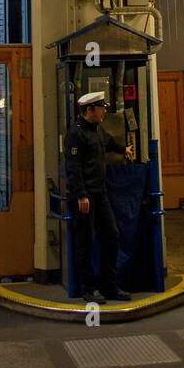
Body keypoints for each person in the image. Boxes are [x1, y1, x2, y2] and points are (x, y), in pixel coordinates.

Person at [64, 90, 133, 304]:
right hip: (84, 197)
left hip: (100, 193)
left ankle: (109, 284)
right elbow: (73, 167)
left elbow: (110, 143)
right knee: (84, 242)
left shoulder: (97, 129)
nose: (104, 111)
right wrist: (81, 195)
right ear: (88, 110)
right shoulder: (76, 134)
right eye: (100, 108)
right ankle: (89, 288)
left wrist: (125, 149)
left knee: (111, 235)